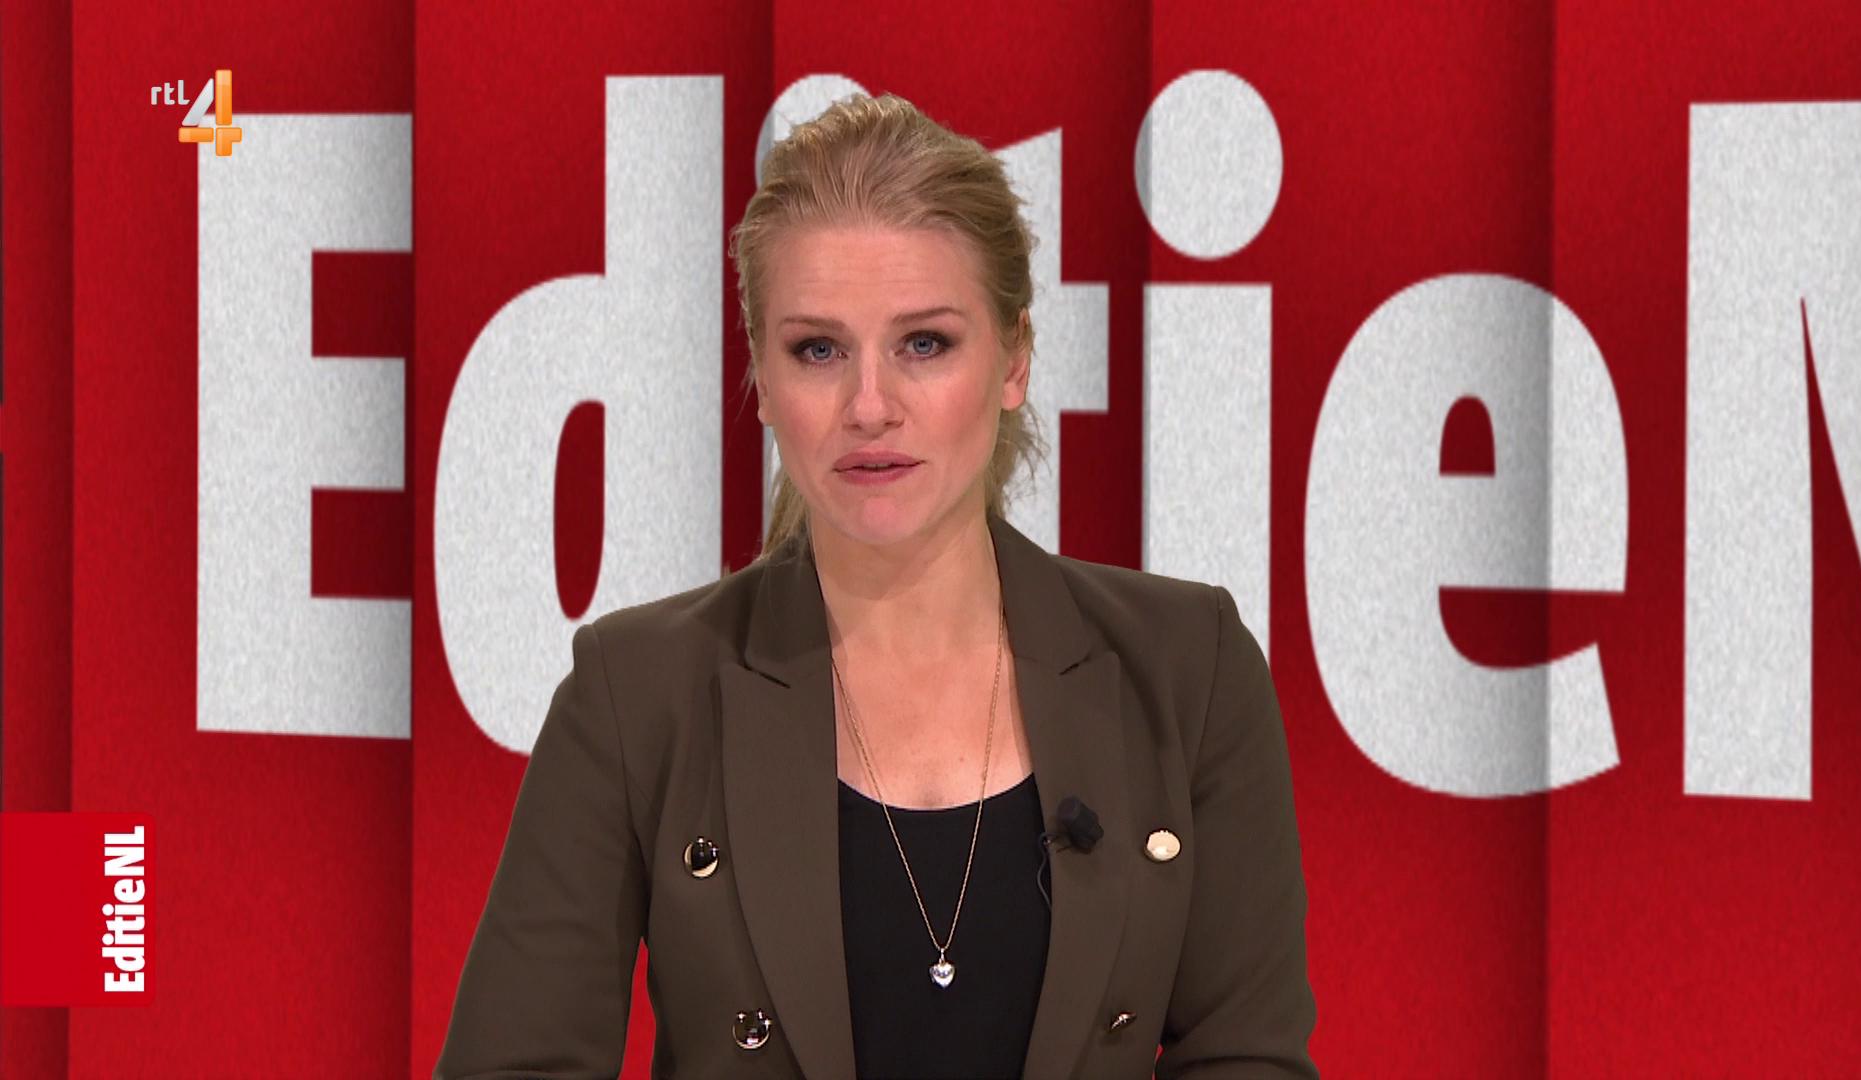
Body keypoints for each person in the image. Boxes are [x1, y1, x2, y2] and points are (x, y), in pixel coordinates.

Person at [435, 91, 1315, 1080]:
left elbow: (1247, 1057)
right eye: (818, 350)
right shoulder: (637, 692)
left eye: (924, 344)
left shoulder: (1189, 669)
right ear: (763, 381)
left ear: (1014, 360)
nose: (868, 405)